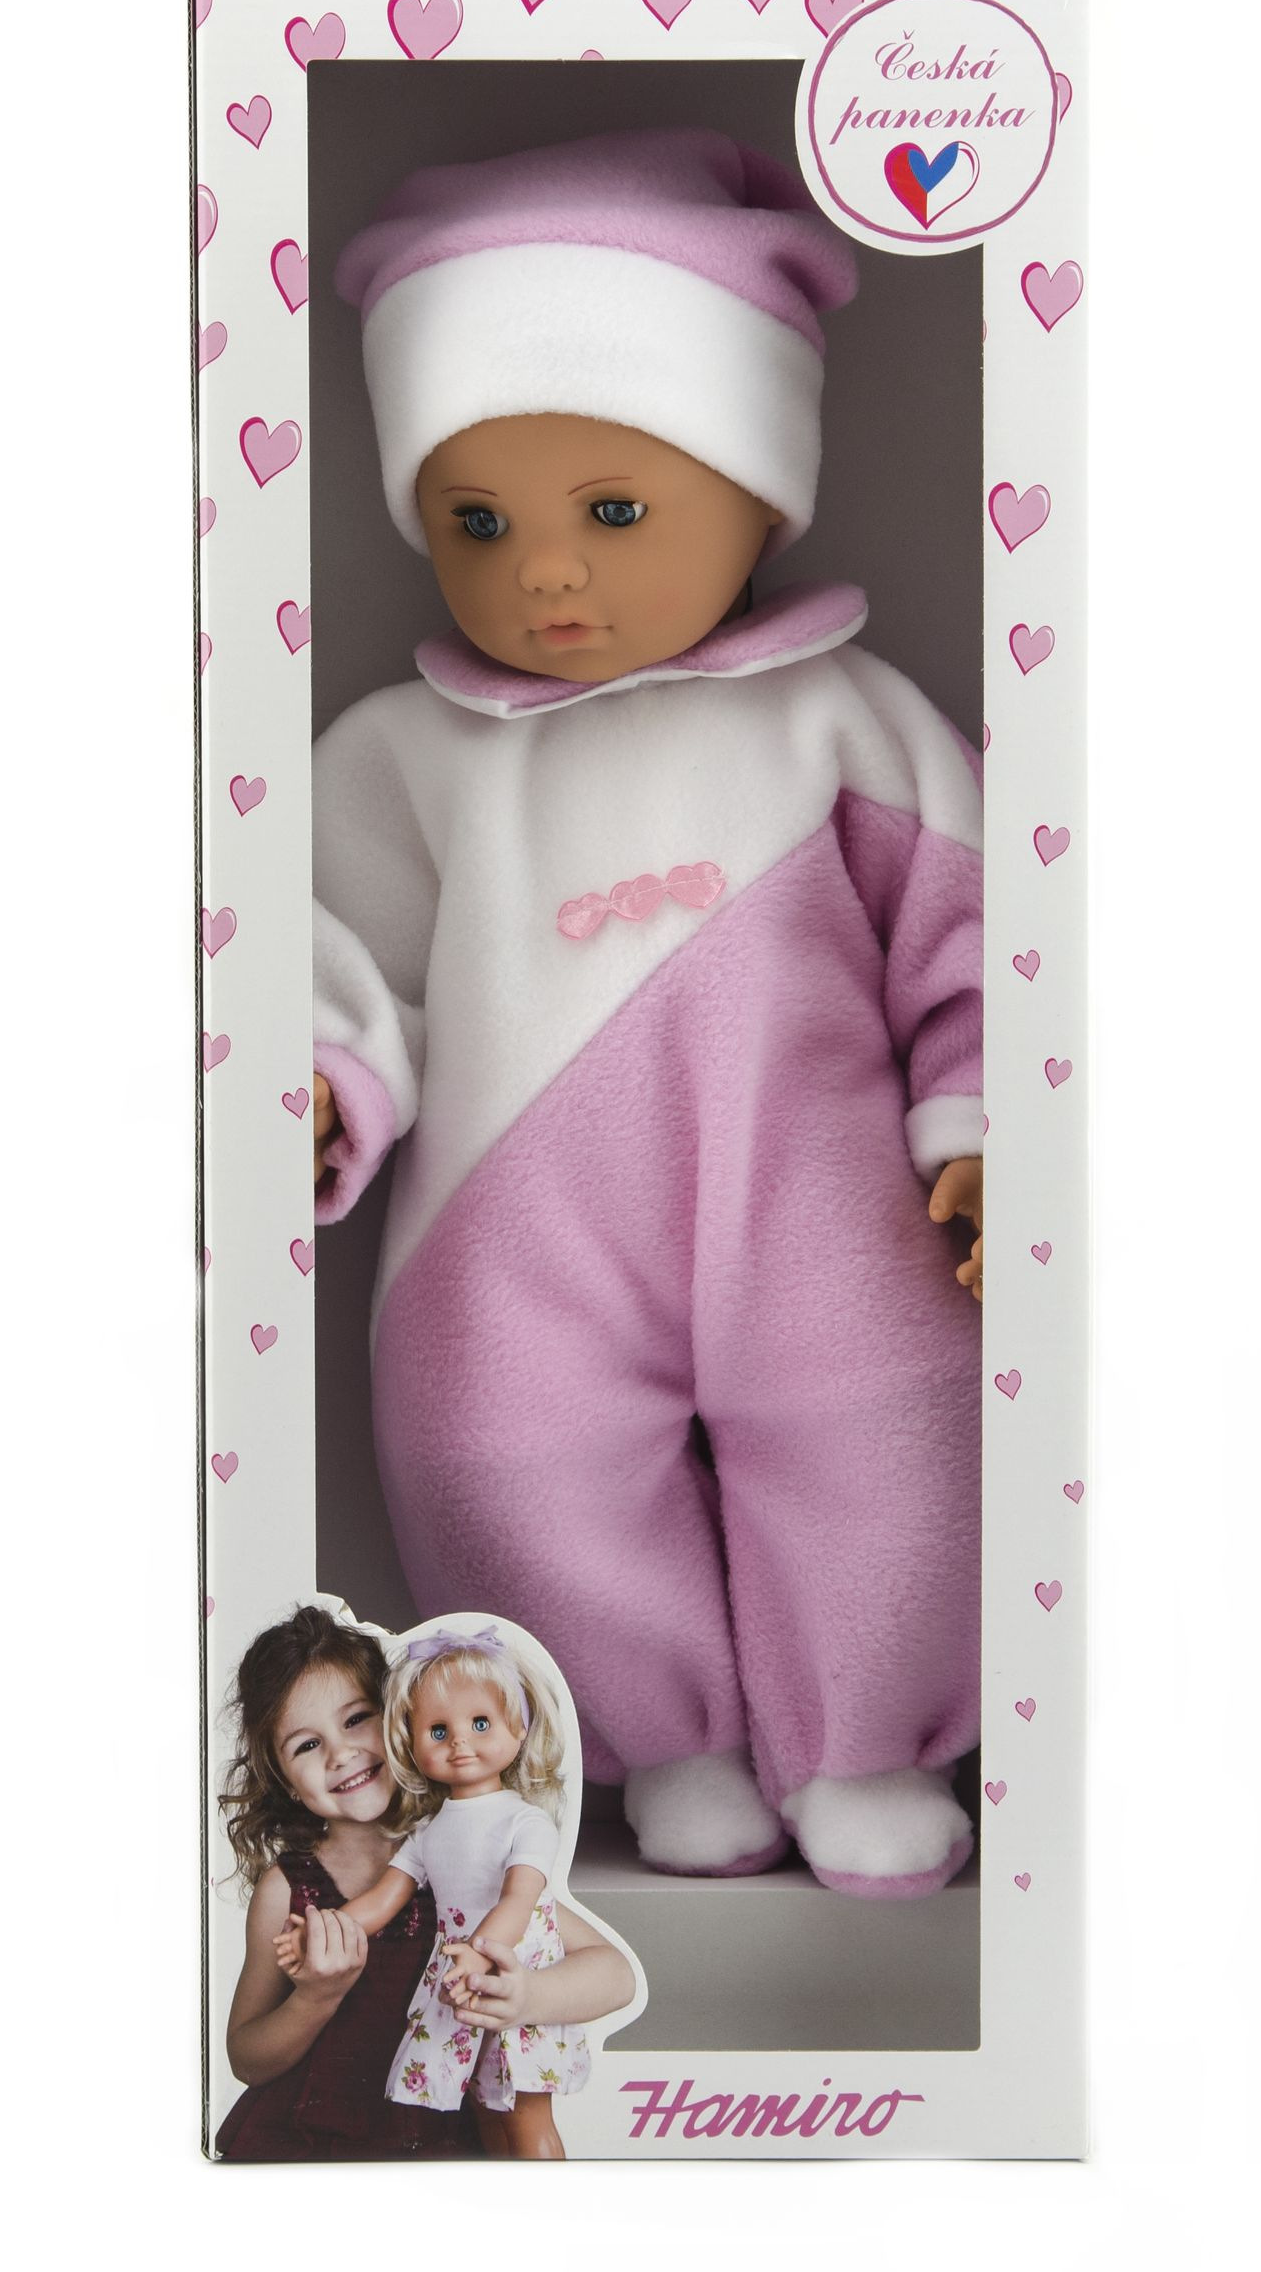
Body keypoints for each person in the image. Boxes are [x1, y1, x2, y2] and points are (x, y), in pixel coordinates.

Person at [308, 128, 985, 1896]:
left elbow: (972, 939)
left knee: (889, 1433)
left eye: (612, 512)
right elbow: (340, 950)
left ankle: (864, 1739)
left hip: (821, 1202)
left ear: (762, 491)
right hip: (510, 1223)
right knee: (497, 1448)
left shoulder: (843, 722)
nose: (543, 572)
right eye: (477, 522)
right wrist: (322, 1076)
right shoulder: (406, 756)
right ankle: (655, 1738)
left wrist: (977, 1124)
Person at [212, 1606, 631, 2162]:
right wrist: (315, 1997)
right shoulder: (288, 1888)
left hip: (441, 2148)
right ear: (284, 1778)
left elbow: (615, 1976)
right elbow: (246, 2057)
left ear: (402, 1723)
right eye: (306, 1746)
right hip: (312, 2151)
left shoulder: (462, 1860)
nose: (341, 1754)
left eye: (357, 1719)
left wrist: (527, 1996)